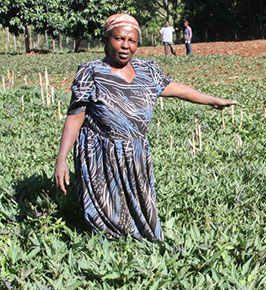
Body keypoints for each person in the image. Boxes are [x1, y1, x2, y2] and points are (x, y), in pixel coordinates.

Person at [54, 14, 237, 241]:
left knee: (140, 208)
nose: (125, 46)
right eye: (119, 39)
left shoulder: (146, 70)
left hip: (136, 152)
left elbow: (177, 89)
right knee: (105, 213)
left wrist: (211, 100)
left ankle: (142, 248)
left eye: (132, 41)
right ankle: (108, 256)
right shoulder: (91, 72)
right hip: (100, 153)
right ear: (106, 39)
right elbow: (75, 116)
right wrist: (61, 159)